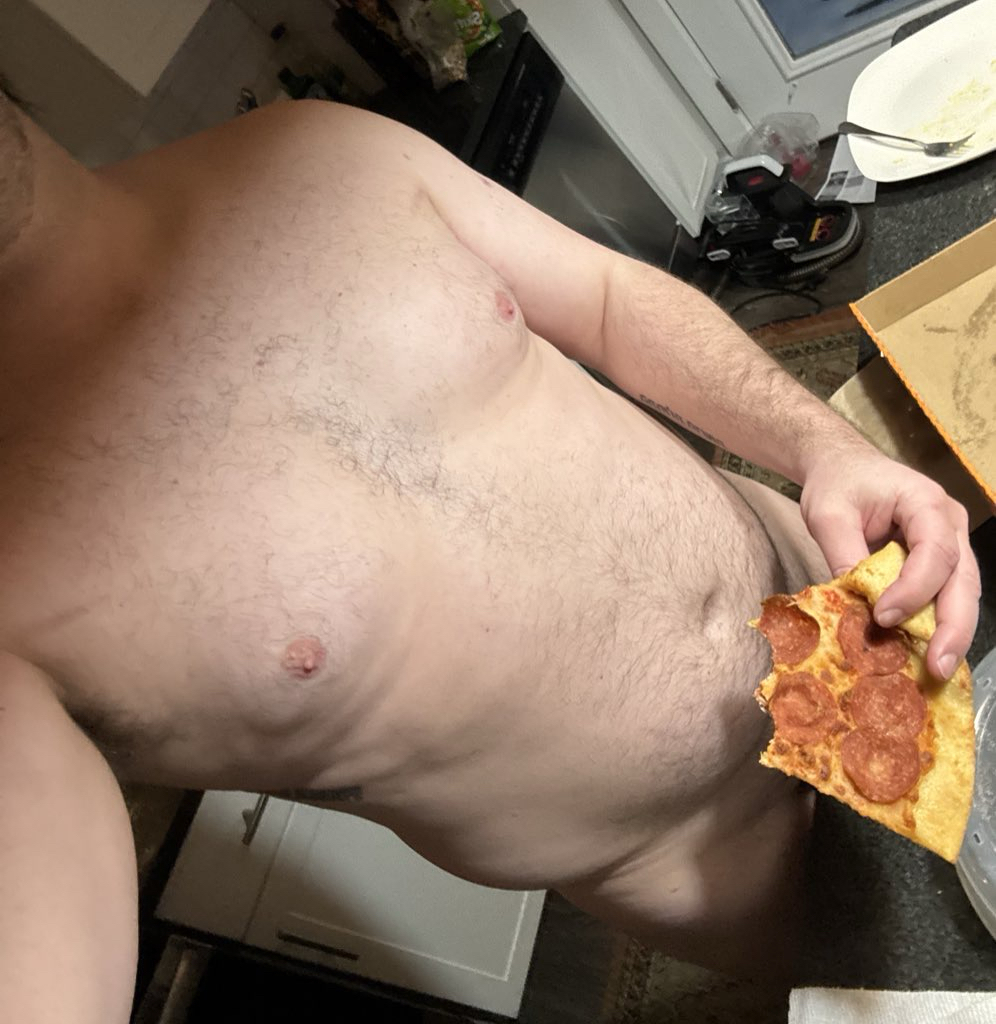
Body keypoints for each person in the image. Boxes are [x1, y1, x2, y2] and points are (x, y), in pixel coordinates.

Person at [0, 88, 980, 1022]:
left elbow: (607, 299)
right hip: (740, 862)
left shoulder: (307, 149)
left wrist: (828, 449)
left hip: (855, 594)